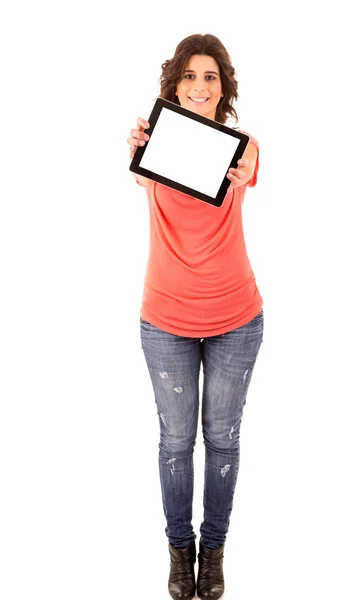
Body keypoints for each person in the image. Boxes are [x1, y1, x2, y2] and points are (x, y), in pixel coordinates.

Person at [127, 33, 264, 600]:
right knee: (176, 442)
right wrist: (140, 145)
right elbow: (139, 172)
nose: (200, 86)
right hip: (164, 318)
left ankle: (215, 552)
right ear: (174, 85)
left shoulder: (244, 146)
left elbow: (249, 163)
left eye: (210, 77)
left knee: (223, 439)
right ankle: (179, 552)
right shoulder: (151, 143)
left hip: (236, 314)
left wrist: (240, 165)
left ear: (223, 87)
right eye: (189, 76)